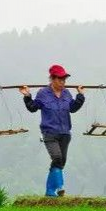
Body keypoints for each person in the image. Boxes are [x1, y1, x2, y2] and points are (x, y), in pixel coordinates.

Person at [19, 64, 85, 197]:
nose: (63, 82)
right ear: (52, 79)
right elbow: (33, 107)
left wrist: (80, 96)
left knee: (60, 162)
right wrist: (27, 96)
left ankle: (50, 191)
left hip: (65, 133)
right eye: (60, 79)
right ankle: (60, 187)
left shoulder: (66, 93)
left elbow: (72, 108)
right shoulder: (43, 93)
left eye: (64, 80)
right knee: (57, 157)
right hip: (49, 133)